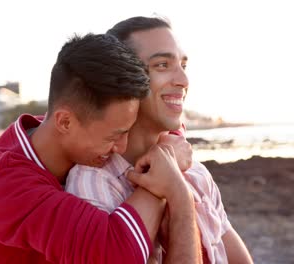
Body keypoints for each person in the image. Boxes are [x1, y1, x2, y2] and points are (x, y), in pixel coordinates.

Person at [0, 33, 200, 263]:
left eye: (128, 131)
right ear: (64, 122)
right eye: (114, 136)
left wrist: (168, 143)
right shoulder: (7, 186)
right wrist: (164, 176)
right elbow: (116, 255)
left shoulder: (70, 124)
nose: (122, 147)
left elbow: (162, 127)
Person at [66, 17, 253, 263]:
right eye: (162, 65)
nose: (183, 81)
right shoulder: (93, 185)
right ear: (123, 81)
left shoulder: (196, 173)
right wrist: (179, 198)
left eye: (183, 65)